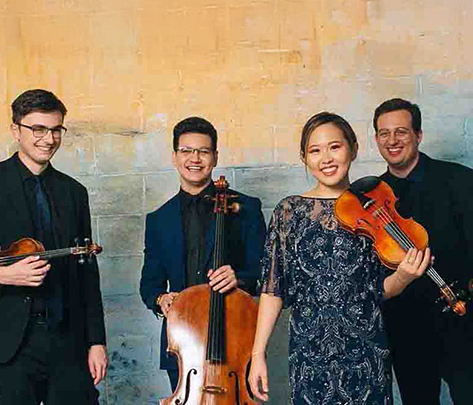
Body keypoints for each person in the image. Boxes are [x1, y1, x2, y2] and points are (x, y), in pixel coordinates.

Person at [249, 112, 429, 404]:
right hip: (309, 357)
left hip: (366, 354)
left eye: (335, 147)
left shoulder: (377, 210)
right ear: (304, 157)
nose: (326, 159)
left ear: (353, 149)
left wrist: (404, 277)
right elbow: (273, 290)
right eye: (315, 150)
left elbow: (379, 290)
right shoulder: (289, 211)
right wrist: (258, 354)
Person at [0, 89, 108, 405]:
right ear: (15, 130)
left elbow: (86, 273)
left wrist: (96, 341)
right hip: (5, 345)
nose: (48, 139)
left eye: (56, 129)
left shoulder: (74, 192)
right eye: (38, 129)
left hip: (67, 341)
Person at [140, 116, 266, 392]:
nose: (194, 158)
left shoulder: (246, 208)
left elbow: (266, 271)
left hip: (234, 338)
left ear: (215, 156)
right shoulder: (158, 219)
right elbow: (149, 284)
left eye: (203, 151)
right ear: (175, 156)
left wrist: (239, 277)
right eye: (186, 150)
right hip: (181, 342)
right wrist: (161, 299)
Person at [373, 98, 473, 405]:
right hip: (406, 329)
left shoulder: (460, 179)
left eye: (401, 131)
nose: (392, 140)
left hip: (463, 320)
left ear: (418, 135)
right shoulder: (372, 199)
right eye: (384, 133)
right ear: (376, 139)